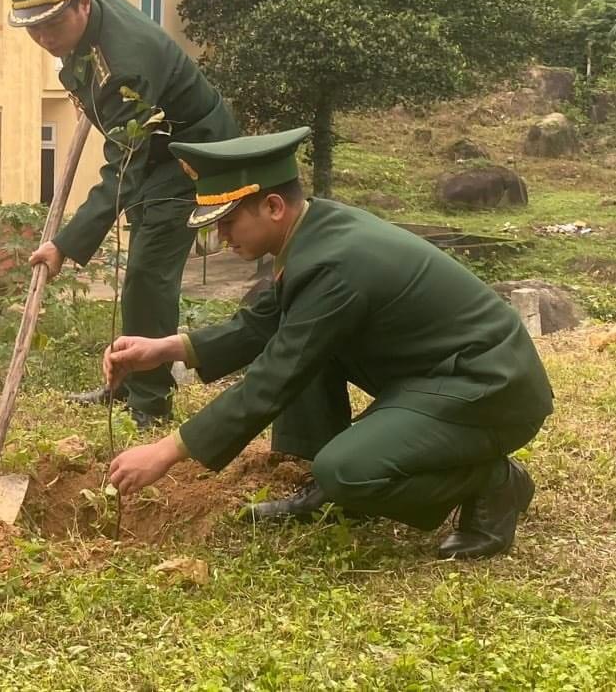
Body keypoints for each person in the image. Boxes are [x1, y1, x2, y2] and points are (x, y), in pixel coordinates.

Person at [104, 127, 553, 559]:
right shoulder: (314, 231)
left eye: (228, 222)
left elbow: (274, 377)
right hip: (438, 373)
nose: (222, 237)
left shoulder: (333, 263)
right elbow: (266, 324)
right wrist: (164, 348)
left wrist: (165, 451)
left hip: (487, 388)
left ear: (274, 207)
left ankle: (492, 481)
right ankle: (323, 488)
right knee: (306, 353)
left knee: (347, 470)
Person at [0, 0, 238, 428]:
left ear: (83, 3)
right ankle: (125, 383)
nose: (44, 37)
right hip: (154, 146)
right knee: (140, 279)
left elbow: (122, 168)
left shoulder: (126, 67)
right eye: (32, 26)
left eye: (53, 23)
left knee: (148, 274)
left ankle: (150, 403)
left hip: (190, 155)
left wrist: (65, 244)